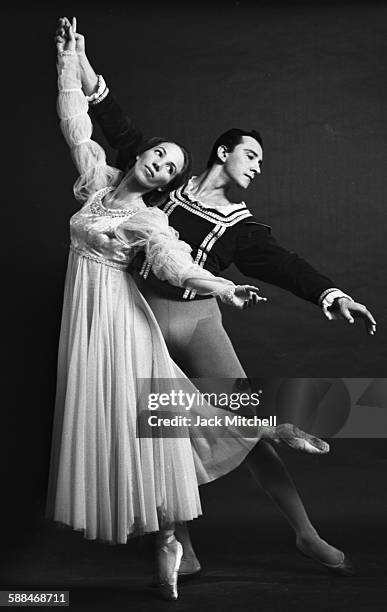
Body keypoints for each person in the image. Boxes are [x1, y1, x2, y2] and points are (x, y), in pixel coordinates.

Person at [55, 18, 369, 580]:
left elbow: (283, 264)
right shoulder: (161, 181)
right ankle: (178, 546)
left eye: (261, 162)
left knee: (248, 425)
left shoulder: (243, 227)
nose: (258, 166)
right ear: (222, 152)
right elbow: (113, 123)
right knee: (161, 430)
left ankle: (305, 532)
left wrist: (330, 291)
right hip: (137, 315)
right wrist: (78, 66)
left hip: (198, 321)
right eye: (251, 155)